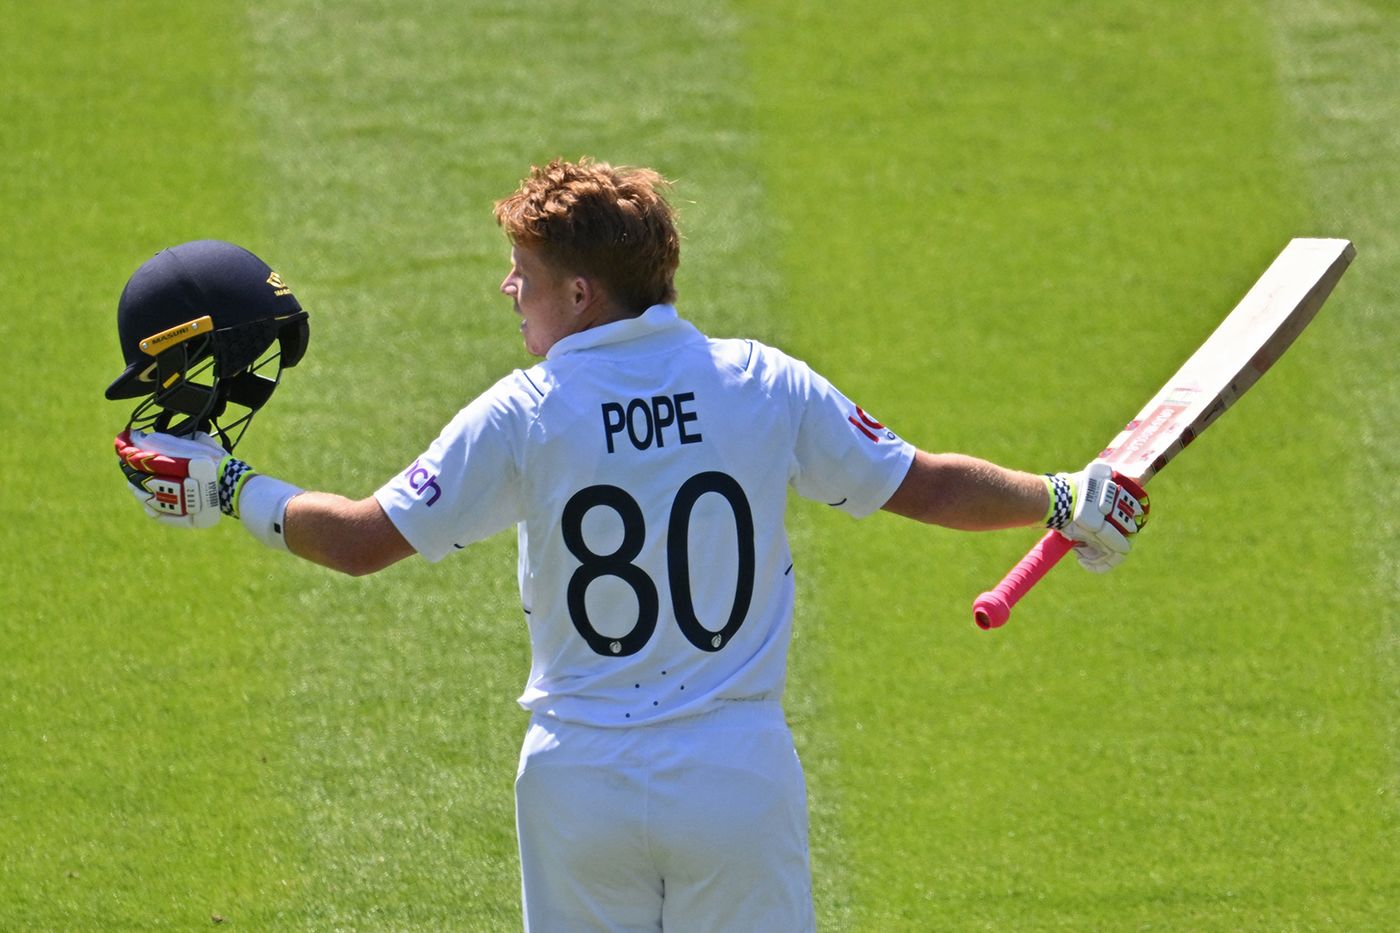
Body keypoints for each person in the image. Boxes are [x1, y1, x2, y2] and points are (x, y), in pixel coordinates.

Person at [114, 158, 1148, 931]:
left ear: (580, 294)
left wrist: (227, 486)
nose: (508, 291)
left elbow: (360, 542)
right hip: (735, 777)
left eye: (523, 274)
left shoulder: (525, 411)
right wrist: (1060, 497)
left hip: (580, 784)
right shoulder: (763, 382)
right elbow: (919, 483)